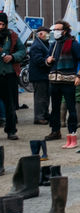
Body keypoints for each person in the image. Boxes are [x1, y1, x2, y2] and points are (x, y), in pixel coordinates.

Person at [45, 19, 80, 147]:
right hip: (54, 81)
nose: (55, 32)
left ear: (64, 31)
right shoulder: (54, 44)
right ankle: (55, 130)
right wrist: (48, 60)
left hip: (68, 81)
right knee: (55, 108)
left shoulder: (73, 44)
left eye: (57, 30)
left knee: (71, 107)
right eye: (54, 30)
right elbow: (47, 61)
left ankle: (72, 132)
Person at [0, 12, 26, 140]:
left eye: (2, 24)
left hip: (9, 75)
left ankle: (11, 130)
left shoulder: (12, 35)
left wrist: (12, 57)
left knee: (10, 104)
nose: (0, 26)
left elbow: (22, 50)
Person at [29, 26, 51, 125]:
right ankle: (39, 117)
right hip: (39, 75)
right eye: (47, 33)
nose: (48, 35)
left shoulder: (44, 43)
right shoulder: (36, 46)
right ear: (40, 34)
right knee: (40, 97)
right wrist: (47, 61)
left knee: (45, 96)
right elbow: (38, 60)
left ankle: (45, 114)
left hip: (44, 75)